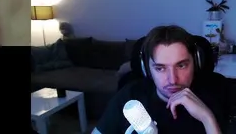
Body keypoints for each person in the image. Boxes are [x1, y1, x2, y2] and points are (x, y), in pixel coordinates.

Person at [94, 25, 226, 134]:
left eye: (181, 65)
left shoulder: (211, 98)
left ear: (196, 63)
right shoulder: (130, 96)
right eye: (160, 68)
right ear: (147, 69)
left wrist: (207, 118)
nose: (173, 80)